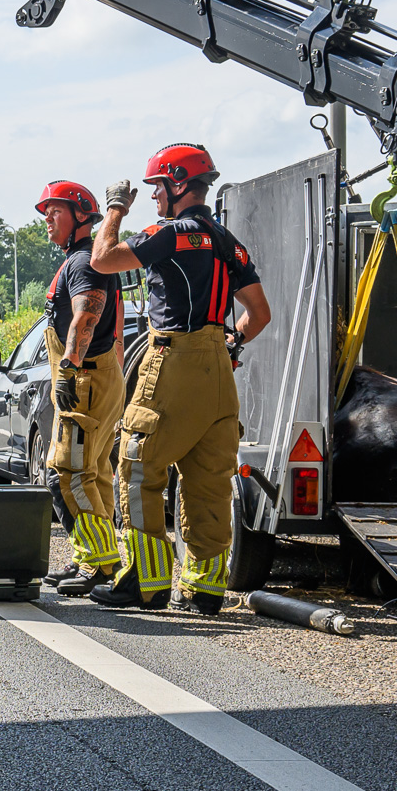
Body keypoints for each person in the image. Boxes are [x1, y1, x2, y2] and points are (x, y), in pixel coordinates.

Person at [88, 144, 271, 614]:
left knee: (138, 465)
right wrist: (228, 345)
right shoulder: (228, 242)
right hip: (219, 369)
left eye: (156, 188)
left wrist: (114, 209)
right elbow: (260, 313)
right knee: (208, 479)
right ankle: (205, 588)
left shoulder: (171, 233)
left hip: (172, 358)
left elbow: (103, 260)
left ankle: (145, 583)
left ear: (179, 184)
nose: (152, 198)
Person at [34, 181, 127, 598]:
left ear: (81, 215)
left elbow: (85, 320)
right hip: (98, 378)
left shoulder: (84, 262)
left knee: (66, 474)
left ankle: (100, 562)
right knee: (93, 475)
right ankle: (90, 556)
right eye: (46, 211)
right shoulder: (81, 259)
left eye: (55, 210)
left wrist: (69, 370)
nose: (47, 218)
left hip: (85, 380)